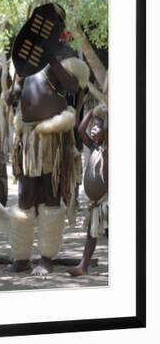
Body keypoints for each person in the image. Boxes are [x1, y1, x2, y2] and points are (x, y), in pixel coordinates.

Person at [8, 3, 90, 276]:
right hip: (28, 137)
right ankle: (21, 256)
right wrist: (13, 94)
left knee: (50, 193)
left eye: (52, 21)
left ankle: (46, 258)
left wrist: (50, 55)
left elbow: (73, 87)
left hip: (53, 138)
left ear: (59, 26)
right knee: (25, 195)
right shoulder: (24, 53)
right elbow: (19, 86)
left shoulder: (65, 53)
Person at [67, 104, 108, 276]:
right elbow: (80, 129)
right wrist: (92, 113)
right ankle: (83, 266)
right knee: (91, 236)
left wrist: (106, 121)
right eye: (93, 126)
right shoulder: (93, 147)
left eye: (97, 127)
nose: (93, 130)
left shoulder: (110, 148)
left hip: (107, 201)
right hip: (94, 204)